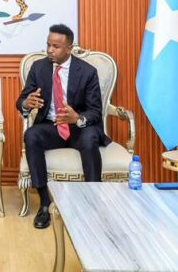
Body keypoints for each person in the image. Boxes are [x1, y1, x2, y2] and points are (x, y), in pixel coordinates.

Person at [16, 24, 110, 229]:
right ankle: (44, 203)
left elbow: (95, 111)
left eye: (56, 46)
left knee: (90, 138)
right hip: (51, 126)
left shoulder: (87, 72)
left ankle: (92, 202)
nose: (50, 50)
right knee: (31, 135)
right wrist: (26, 103)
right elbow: (21, 100)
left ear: (69, 48)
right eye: (48, 45)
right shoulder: (38, 68)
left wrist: (77, 118)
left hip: (79, 128)